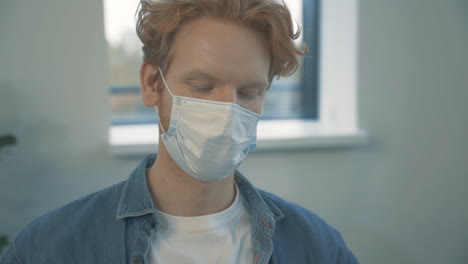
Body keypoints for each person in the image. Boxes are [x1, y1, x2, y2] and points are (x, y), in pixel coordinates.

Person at [1, 0, 359, 263]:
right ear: (152, 83)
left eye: (249, 93)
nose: (226, 112)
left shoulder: (318, 247)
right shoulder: (50, 249)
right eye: (203, 86)